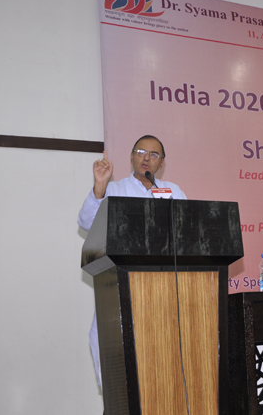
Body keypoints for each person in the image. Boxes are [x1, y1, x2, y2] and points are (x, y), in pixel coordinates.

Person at [78, 135, 186, 386]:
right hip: (119, 281)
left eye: (154, 154)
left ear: (162, 163)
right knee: (113, 341)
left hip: (163, 284)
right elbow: (86, 222)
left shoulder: (173, 191)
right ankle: (119, 403)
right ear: (131, 157)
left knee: (161, 346)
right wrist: (99, 186)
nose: (147, 158)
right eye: (141, 151)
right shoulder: (113, 189)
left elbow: (186, 228)